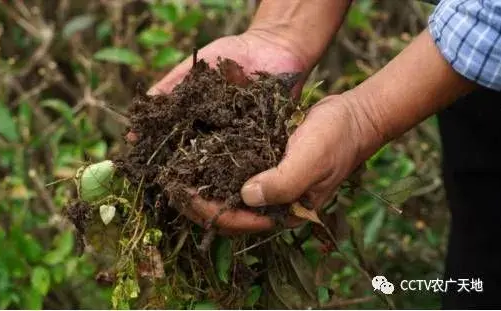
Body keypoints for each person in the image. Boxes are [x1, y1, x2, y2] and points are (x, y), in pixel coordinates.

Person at [143, 1, 501, 308]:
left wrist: (365, 118)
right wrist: (282, 31)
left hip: (479, 46)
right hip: (469, 68)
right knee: (482, 227)